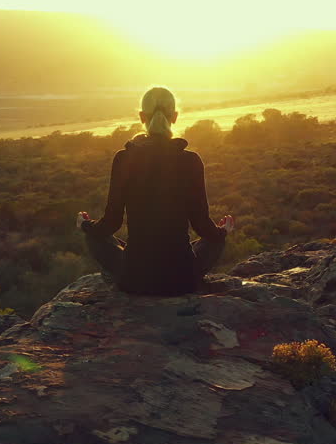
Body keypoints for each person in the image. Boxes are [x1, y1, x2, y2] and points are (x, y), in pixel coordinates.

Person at [76, 86, 235, 296]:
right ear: (175, 117)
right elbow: (203, 227)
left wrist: (85, 225)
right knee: (214, 240)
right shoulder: (191, 161)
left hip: (135, 280)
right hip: (182, 280)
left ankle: (126, 253)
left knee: (95, 237)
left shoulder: (124, 159)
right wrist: (223, 231)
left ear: (142, 117)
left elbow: (111, 223)